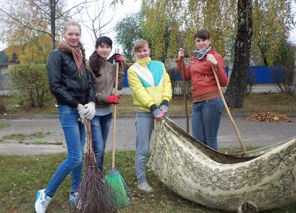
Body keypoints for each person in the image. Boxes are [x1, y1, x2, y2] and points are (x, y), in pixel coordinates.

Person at [35, 21, 96, 213]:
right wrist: (77, 105)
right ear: (63, 34)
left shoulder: (80, 55)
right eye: (70, 34)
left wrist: (91, 103)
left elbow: (89, 83)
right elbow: (55, 86)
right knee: (75, 157)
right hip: (68, 110)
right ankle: (45, 194)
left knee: (77, 155)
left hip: (82, 111)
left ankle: (75, 193)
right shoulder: (56, 55)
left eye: (77, 34)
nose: (74, 37)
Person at [127, 39, 172, 193]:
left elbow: (167, 84)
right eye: (139, 51)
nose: (142, 53)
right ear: (135, 53)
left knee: (165, 146)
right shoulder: (133, 70)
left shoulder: (159, 65)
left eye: (144, 50)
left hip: (163, 111)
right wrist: (154, 108)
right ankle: (141, 180)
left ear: (149, 50)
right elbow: (139, 92)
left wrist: (165, 103)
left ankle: (167, 176)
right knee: (143, 148)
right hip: (145, 113)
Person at [176, 30, 228, 150]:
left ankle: (214, 166)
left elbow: (224, 82)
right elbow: (187, 76)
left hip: (212, 101)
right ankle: (204, 165)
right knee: (198, 138)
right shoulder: (196, 57)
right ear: (195, 42)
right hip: (197, 101)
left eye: (204, 40)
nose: (201, 43)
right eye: (198, 41)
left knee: (210, 137)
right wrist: (180, 60)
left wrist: (215, 64)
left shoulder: (216, 57)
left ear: (209, 41)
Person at [88, 36, 124, 172]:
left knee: (101, 147)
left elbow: (119, 86)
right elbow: (90, 91)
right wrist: (107, 98)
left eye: (107, 47)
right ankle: (95, 177)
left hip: (108, 113)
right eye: (102, 46)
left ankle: (97, 174)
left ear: (110, 49)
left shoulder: (111, 67)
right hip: (94, 112)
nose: (105, 49)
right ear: (96, 48)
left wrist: (120, 68)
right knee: (99, 147)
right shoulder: (90, 65)